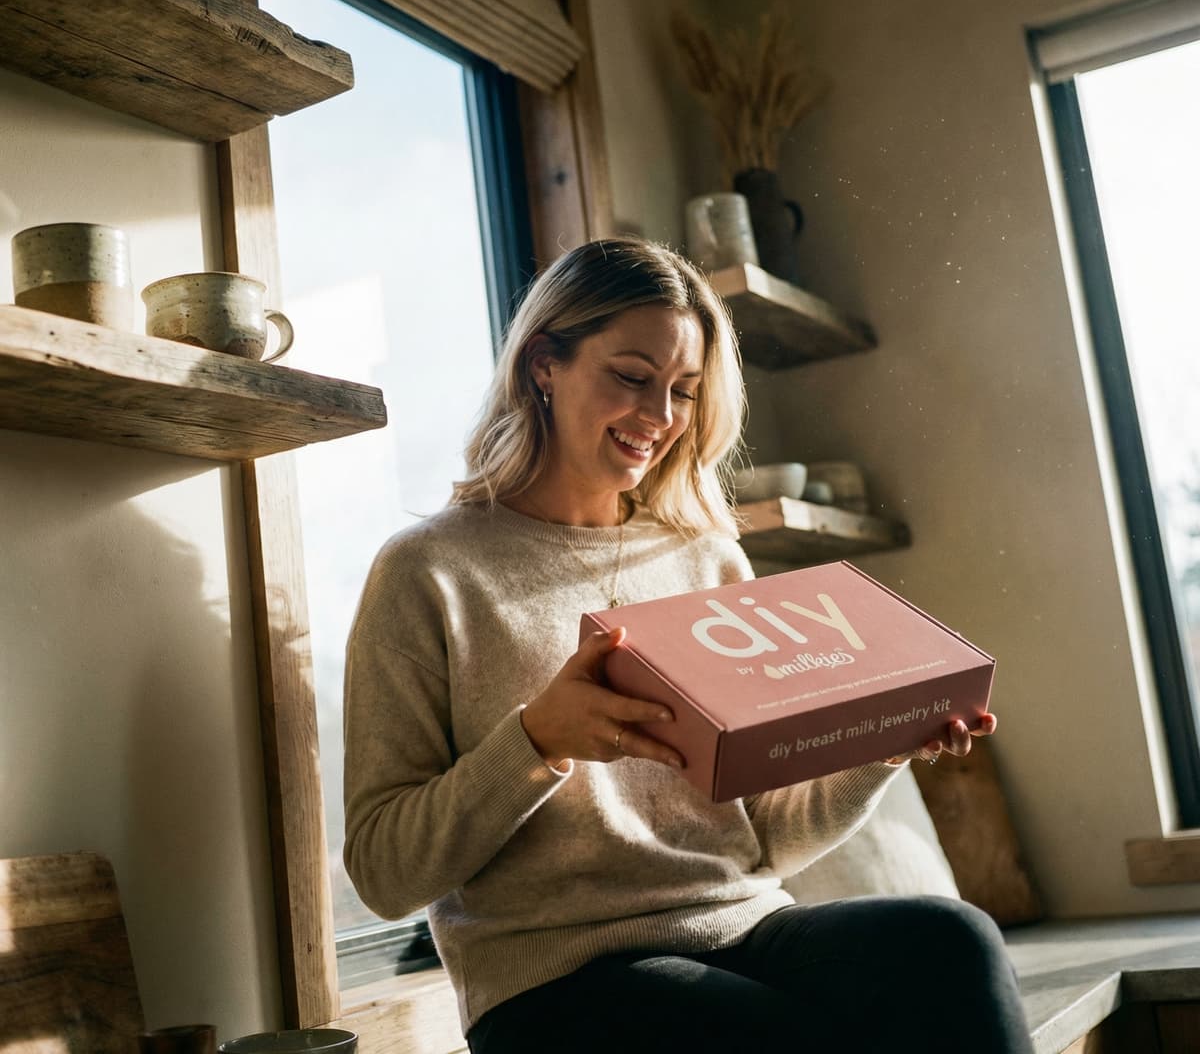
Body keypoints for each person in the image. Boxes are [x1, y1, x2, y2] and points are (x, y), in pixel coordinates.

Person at [343, 237, 1033, 1053]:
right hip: (556, 981)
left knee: (949, 942)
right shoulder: (428, 573)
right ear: (542, 365)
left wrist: (879, 745)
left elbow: (771, 836)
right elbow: (386, 873)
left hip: (743, 929)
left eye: (683, 391)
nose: (661, 418)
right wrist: (538, 740)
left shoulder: (704, 556)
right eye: (632, 378)